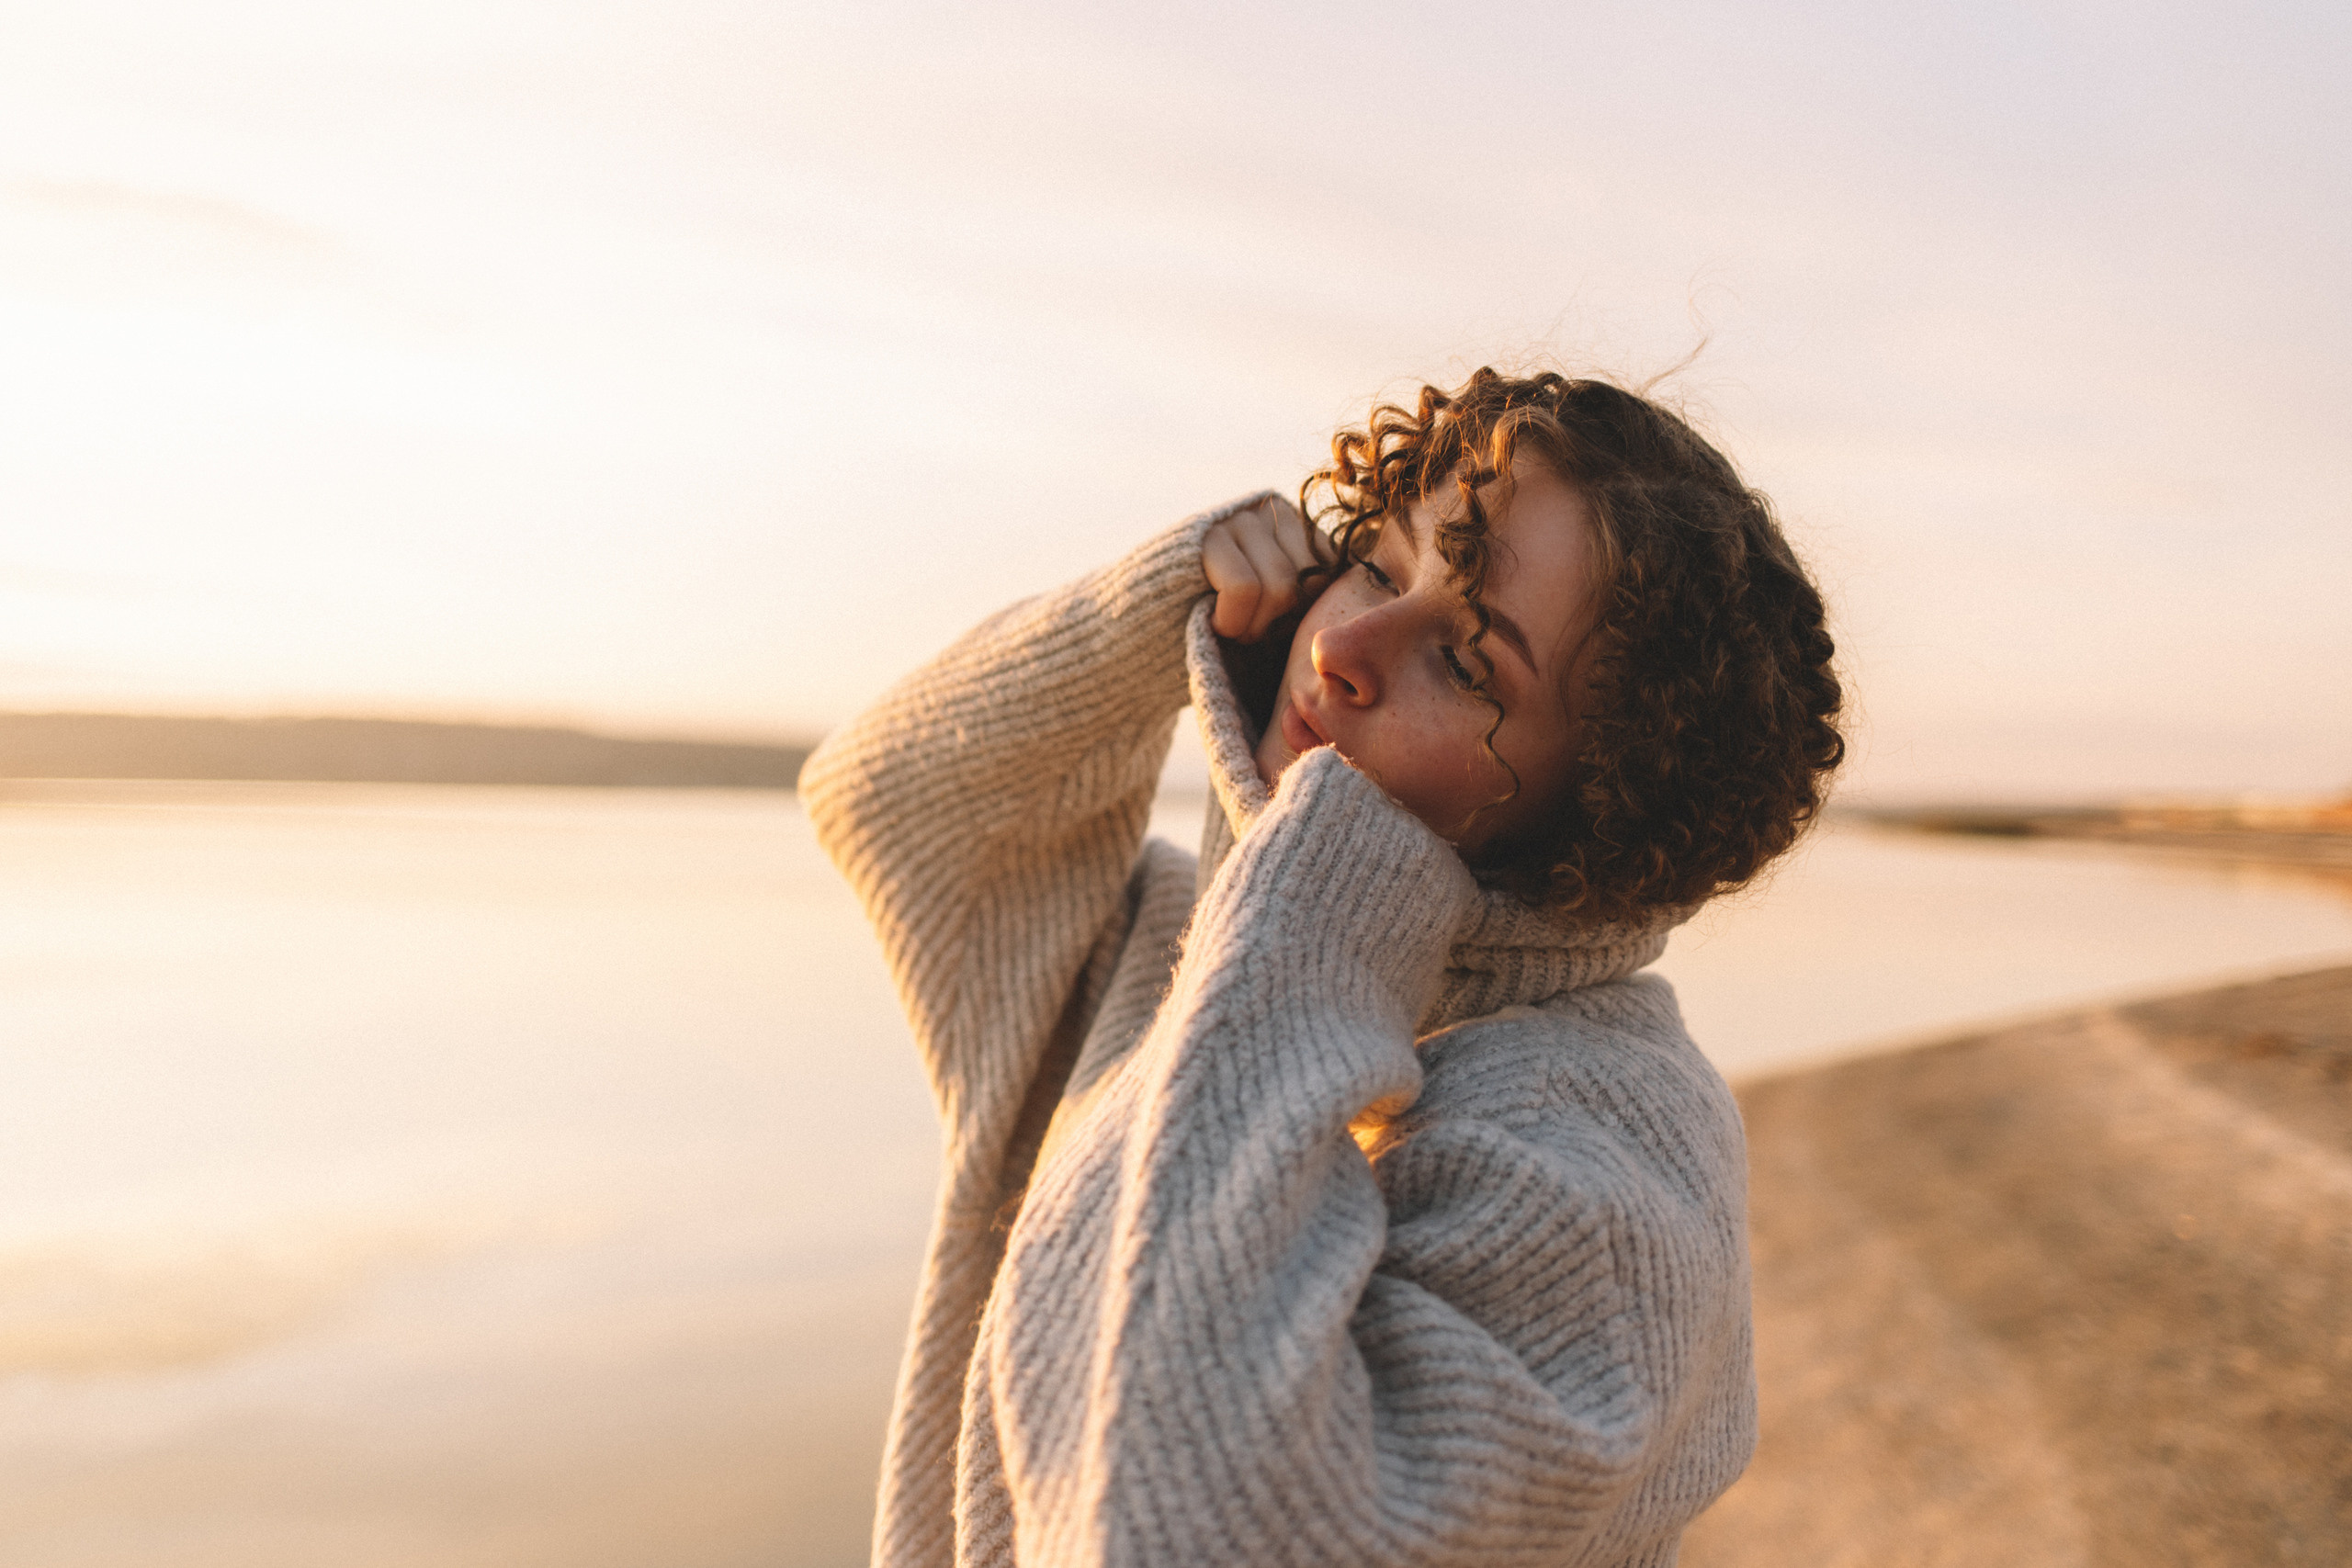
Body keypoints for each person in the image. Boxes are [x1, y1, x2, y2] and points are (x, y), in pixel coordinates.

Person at [803, 367, 1845, 1567]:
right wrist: (1160, 611)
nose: (1346, 644)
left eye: (1469, 664)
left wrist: (1328, 891)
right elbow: (896, 801)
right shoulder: (1176, 961)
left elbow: (1175, 1529)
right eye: (1379, 564)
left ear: (1603, 813)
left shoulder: (1612, 1182)